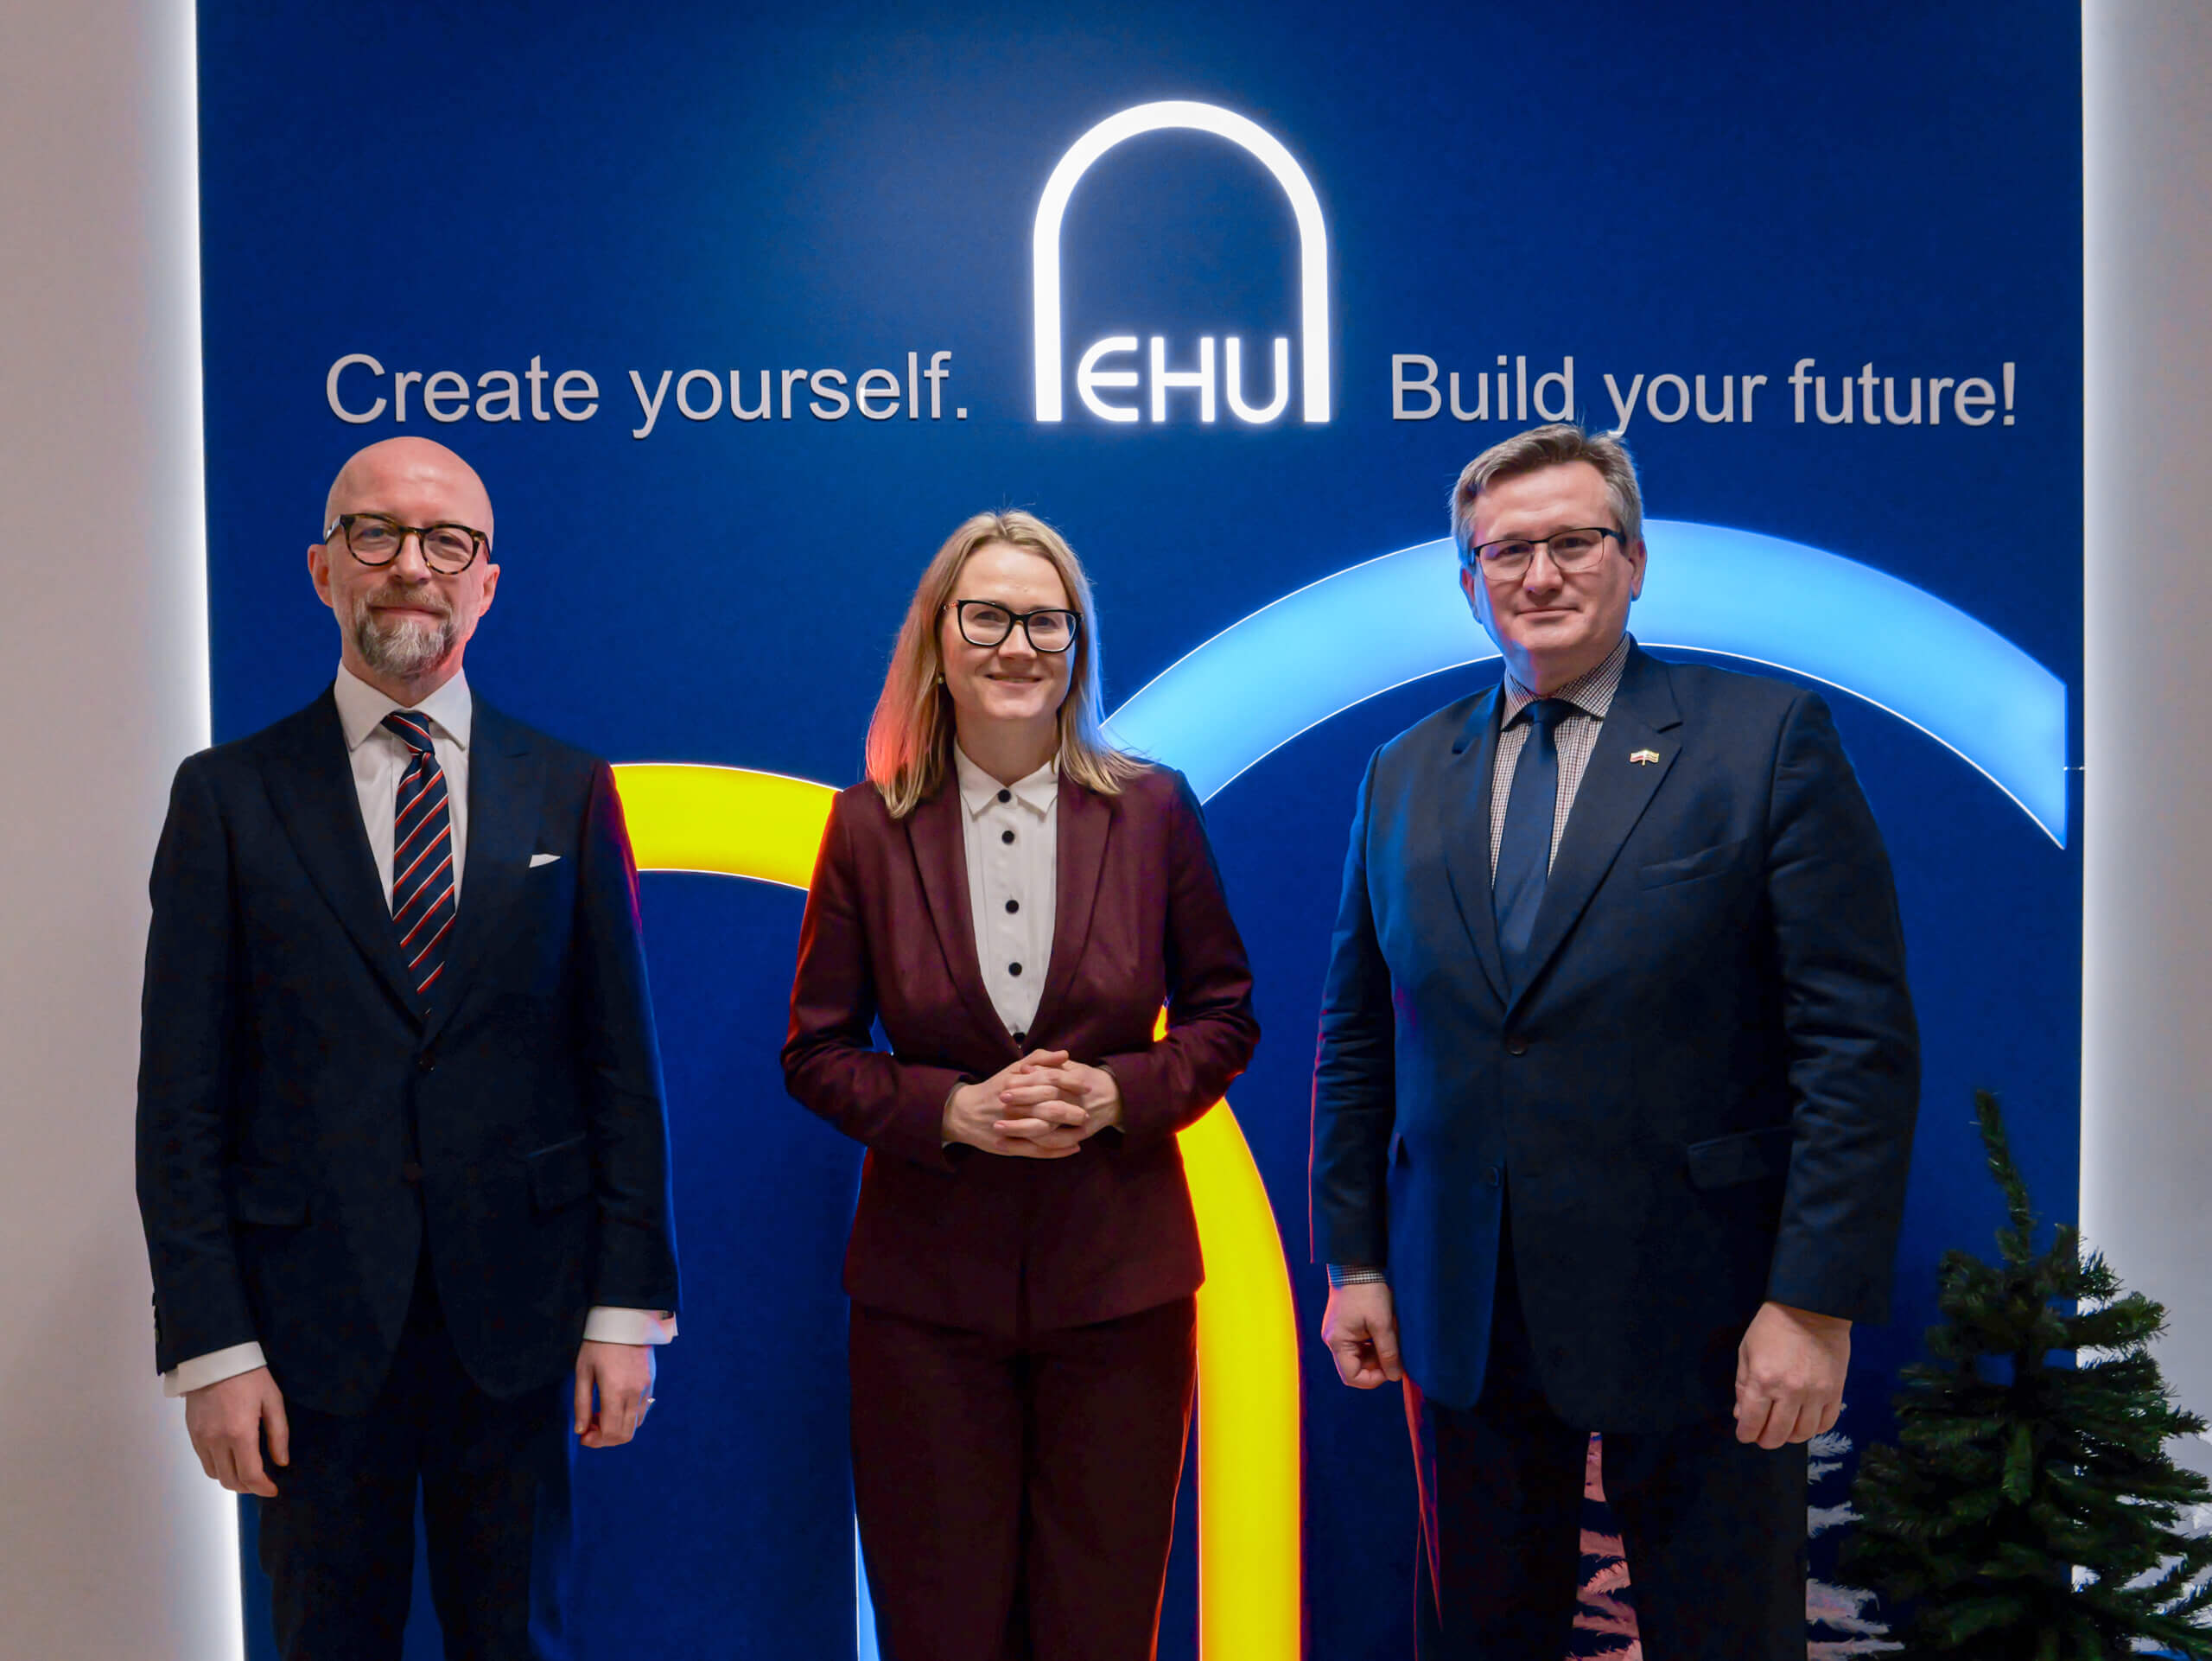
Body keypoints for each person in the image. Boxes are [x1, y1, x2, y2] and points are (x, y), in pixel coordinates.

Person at [1310, 424, 1918, 1658]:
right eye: (1507, 550)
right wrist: (1354, 1259)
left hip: (1706, 1311)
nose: (1541, 573)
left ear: (1634, 560)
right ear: (1469, 582)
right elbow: (1360, 1034)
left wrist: (1813, 1302)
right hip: (1465, 1313)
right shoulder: (1402, 772)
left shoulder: (1763, 739)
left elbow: (1855, 1043)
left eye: (1575, 542)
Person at [136, 436, 679, 1660]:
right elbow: (180, 1102)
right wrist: (211, 1346)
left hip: (523, 1323)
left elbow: (621, 1073)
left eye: (447, 542)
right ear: (322, 568)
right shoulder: (226, 797)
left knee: (518, 1641)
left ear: (487, 582)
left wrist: (627, 1307)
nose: (411, 566)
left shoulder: (571, 788)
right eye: (375, 534)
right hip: (306, 1339)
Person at [783, 510, 1258, 1661]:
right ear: (938, 640)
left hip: (1122, 1295)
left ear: (1078, 646)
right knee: (937, 1629)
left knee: (1102, 1629)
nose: (1017, 646)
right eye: (987, 617)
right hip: (924, 1306)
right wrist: (947, 1110)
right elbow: (817, 1051)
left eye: (1047, 622)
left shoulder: (1153, 810)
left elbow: (1225, 1016)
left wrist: (1117, 1094)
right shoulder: (866, 827)